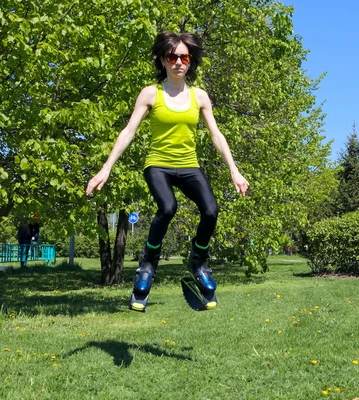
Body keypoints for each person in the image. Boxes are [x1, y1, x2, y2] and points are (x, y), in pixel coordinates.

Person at [86, 32, 249, 311]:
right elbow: (128, 132)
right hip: (158, 165)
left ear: (190, 61)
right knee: (168, 207)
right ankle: (147, 265)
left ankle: (198, 262)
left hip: (189, 166)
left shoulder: (200, 96)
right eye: (172, 57)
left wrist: (234, 170)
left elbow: (216, 135)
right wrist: (105, 168)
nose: (178, 63)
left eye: (184, 57)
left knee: (211, 210)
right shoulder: (151, 93)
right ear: (163, 60)